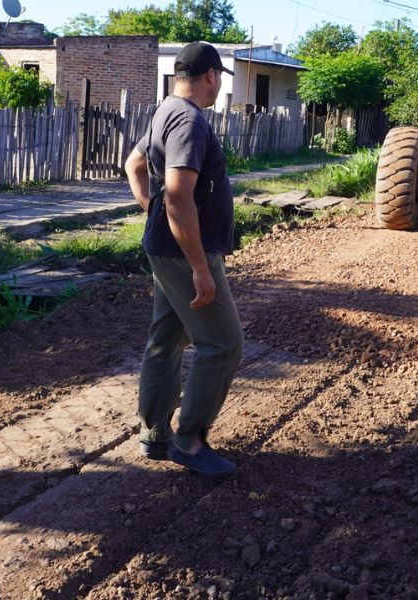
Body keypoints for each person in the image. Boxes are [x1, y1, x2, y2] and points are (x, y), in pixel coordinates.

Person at [124, 42, 242, 478]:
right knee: (223, 344)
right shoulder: (189, 120)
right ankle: (190, 442)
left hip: (167, 245)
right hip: (185, 252)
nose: (217, 89)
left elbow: (133, 164)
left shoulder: (165, 110)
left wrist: (152, 213)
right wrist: (198, 267)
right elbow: (176, 194)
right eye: (218, 81)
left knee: (166, 339)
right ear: (211, 75)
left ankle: (154, 435)